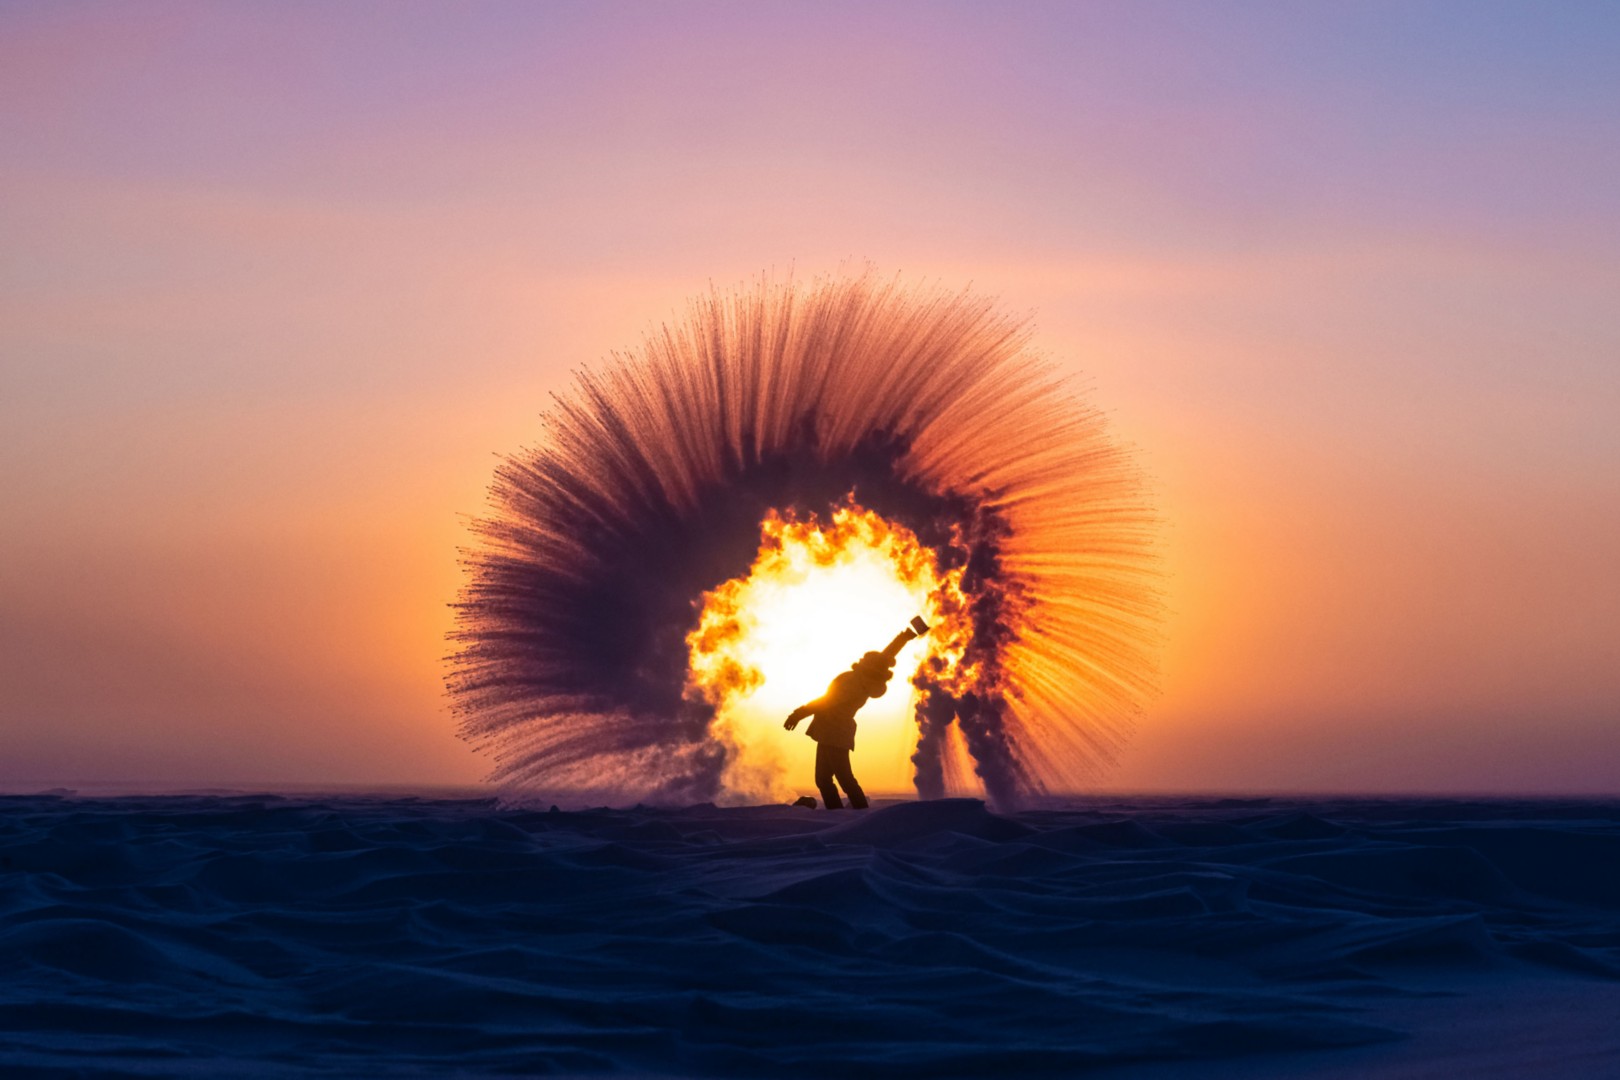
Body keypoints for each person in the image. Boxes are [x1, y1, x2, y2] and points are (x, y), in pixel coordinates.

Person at [783, 619, 927, 809]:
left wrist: (798, 714)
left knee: (844, 779)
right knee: (824, 779)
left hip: (835, 732)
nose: (864, 658)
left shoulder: (855, 684)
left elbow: (825, 702)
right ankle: (837, 813)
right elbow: (886, 655)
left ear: (869, 666)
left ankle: (858, 813)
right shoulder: (865, 677)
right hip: (830, 732)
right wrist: (906, 636)